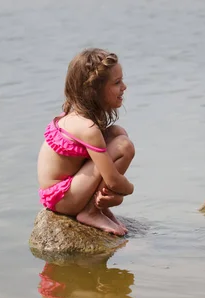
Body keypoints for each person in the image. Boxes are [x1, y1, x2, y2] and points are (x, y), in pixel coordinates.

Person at [37, 48, 135, 236]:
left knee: (117, 133)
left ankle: (98, 206)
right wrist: (127, 190)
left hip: (68, 191)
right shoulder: (88, 129)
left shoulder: (77, 117)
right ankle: (90, 211)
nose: (124, 87)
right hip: (62, 198)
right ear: (95, 92)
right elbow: (113, 180)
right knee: (124, 146)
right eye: (117, 83)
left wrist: (114, 194)